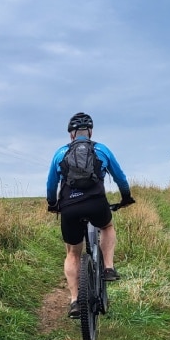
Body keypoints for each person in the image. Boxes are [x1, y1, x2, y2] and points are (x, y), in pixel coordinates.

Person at [46, 112, 135, 318]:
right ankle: (109, 268)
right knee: (107, 226)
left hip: (70, 207)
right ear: (90, 132)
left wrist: (52, 204)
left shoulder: (60, 153)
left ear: (71, 135)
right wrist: (126, 197)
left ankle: (75, 301)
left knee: (72, 253)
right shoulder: (101, 150)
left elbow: (51, 185)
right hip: (96, 204)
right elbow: (120, 177)